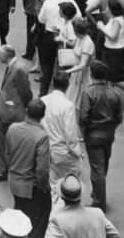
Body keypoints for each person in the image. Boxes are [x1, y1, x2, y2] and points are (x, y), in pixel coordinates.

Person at [78, 61, 123, 212]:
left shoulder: (88, 93)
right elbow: (119, 117)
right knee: (103, 165)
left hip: (93, 135)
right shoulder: (114, 92)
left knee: (97, 168)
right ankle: (98, 192)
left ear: (91, 75)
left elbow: (83, 117)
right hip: (108, 134)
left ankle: (99, 201)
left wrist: (85, 132)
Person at [6, 99, 51, 238]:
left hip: (14, 182)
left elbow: (7, 154)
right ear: (43, 116)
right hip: (30, 186)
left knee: (19, 215)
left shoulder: (13, 128)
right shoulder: (41, 136)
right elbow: (42, 170)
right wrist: (44, 187)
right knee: (37, 222)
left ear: (26, 111)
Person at [0, 46, 34, 183]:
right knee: (4, 141)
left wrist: (26, 107)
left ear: (7, 55)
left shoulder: (18, 69)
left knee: (7, 141)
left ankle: (7, 170)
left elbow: (25, 92)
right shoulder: (13, 67)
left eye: (0, 54)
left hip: (13, 111)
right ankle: (4, 170)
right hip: (9, 110)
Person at [40, 70, 83, 199]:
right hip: (64, 152)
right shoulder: (68, 106)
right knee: (71, 185)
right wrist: (77, 152)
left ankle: (54, 212)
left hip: (48, 149)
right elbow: (70, 134)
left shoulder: (43, 100)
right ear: (67, 85)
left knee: (53, 185)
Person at [47, 175, 120, 237]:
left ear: (62, 197)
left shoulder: (57, 220)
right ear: (80, 195)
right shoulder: (98, 213)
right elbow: (115, 234)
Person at [62, 17, 95, 110]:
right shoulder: (80, 38)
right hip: (76, 72)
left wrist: (67, 71)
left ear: (77, 31)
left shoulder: (88, 43)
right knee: (73, 96)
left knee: (81, 98)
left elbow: (83, 64)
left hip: (83, 74)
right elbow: (73, 45)